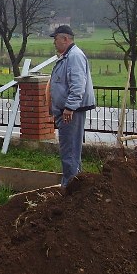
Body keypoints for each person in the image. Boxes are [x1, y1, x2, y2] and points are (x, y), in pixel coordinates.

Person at [49, 25, 96, 195]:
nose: (54, 42)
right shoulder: (67, 56)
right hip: (66, 110)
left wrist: (69, 107)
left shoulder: (74, 56)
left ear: (65, 39)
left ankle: (70, 190)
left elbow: (77, 85)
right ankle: (77, 186)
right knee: (71, 150)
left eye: (56, 39)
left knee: (69, 150)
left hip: (71, 112)